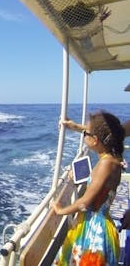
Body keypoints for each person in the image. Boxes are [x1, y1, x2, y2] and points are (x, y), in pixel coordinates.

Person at [53, 111, 126, 265]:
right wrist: (85, 181)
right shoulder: (112, 159)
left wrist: (60, 210)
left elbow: (85, 203)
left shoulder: (106, 164)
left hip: (93, 230)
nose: (84, 134)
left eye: (85, 132)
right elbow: (100, 190)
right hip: (97, 223)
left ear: (95, 140)